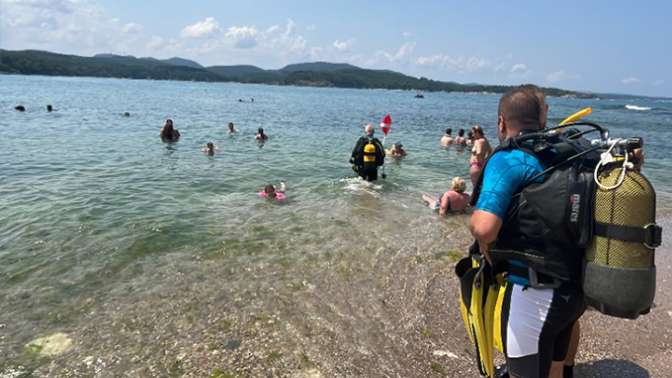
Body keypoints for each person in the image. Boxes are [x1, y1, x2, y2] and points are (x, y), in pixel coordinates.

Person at [470, 85, 582, 378]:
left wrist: (479, 233)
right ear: (542, 121)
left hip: (534, 293)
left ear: (501, 123)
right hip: (577, 287)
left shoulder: (509, 159)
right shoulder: (566, 151)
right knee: (556, 365)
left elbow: (484, 228)